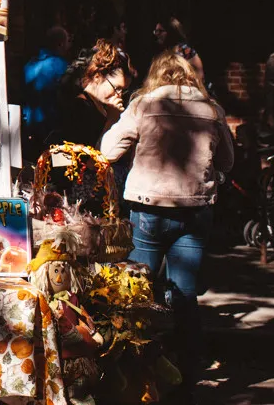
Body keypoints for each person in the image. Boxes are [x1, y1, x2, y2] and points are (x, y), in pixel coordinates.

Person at [101, 52, 233, 385]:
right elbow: (228, 161)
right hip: (195, 207)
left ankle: (136, 367)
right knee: (185, 293)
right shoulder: (212, 110)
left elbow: (109, 150)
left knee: (137, 290)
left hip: (149, 207)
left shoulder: (143, 105)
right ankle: (189, 366)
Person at [49, 41, 129, 147]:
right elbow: (90, 157)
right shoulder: (80, 108)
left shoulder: (98, 105)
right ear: (97, 77)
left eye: (122, 90)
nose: (119, 95)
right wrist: (111, 120)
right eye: (116, 88)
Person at [22, 26, 72, 146]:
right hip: (51, 127)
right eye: (68, 41)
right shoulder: (60, 65)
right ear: (60, 44)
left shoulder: (30, 64)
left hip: (30, 125)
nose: (69, 46)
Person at [154, 17, 205, 82]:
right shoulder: (162, 52)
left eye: (160, 31)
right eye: (156, 31)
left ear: (171, 31)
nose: (157, 34)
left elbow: (200, 77)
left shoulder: (186, 51)